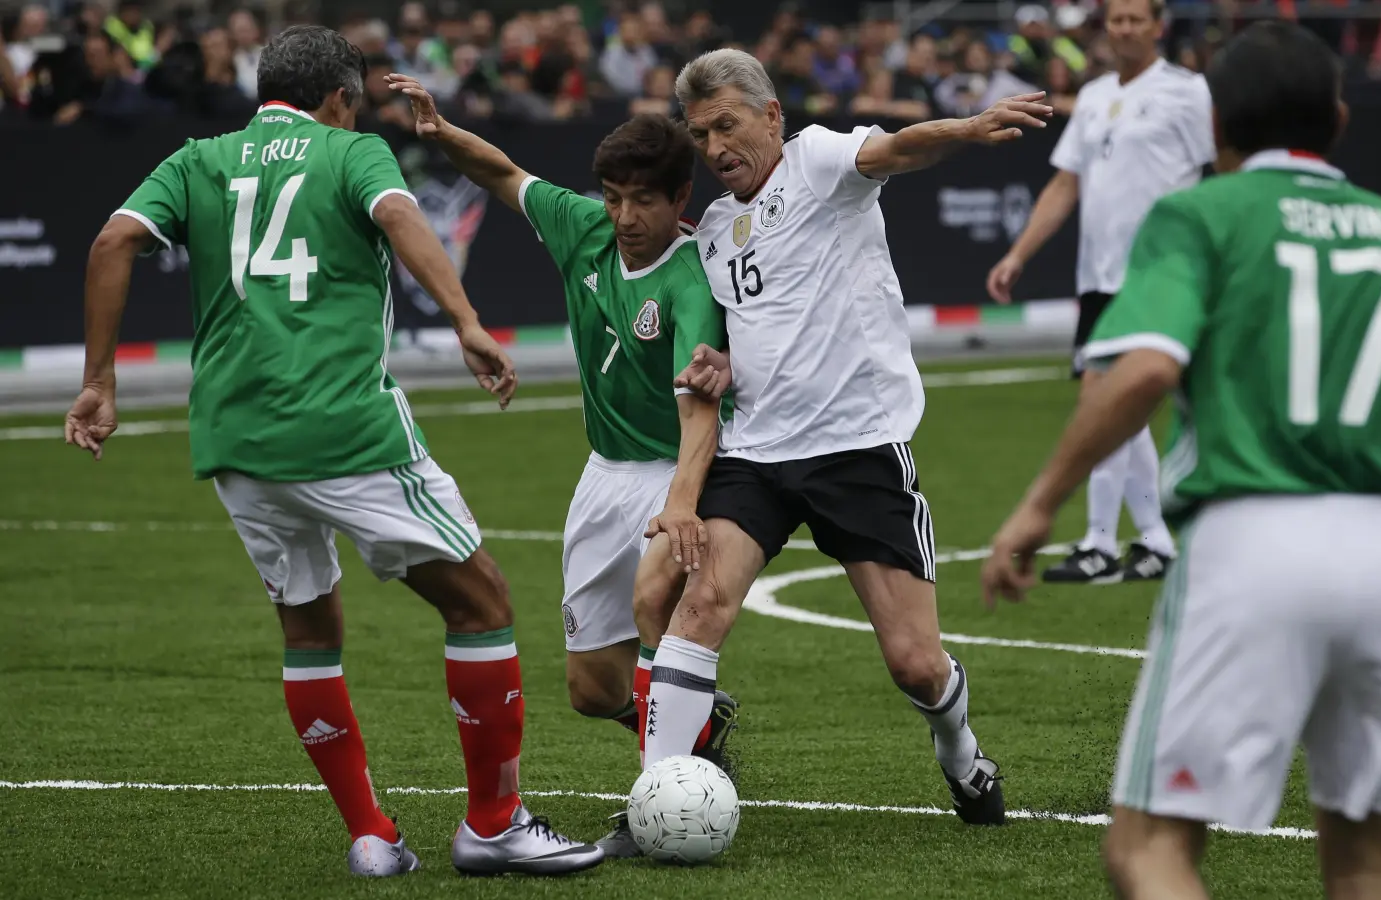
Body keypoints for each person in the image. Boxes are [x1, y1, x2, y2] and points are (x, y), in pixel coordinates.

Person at [981, 21, 1381, 899]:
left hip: (1250, 542)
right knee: (1364, 858)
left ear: (1217, 130)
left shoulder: (1199, 216)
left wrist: (1040, 502)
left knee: (1149, 847)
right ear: (1340, 118)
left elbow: (1146, 369)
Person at [63, 25, 604, 879]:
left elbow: (110, 243)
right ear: (343, 98)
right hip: (342, 425)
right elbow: (401, 218)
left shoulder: (199, 158)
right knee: (482, 601)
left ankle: (370, 836)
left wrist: (100, 381)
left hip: (234, 437)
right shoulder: (352, 154)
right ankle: (494, 823)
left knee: (308, 626)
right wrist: (467, 322)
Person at [641, 47, 1053, 827]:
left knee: (915, 664)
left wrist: (966, 128)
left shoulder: (819, 163)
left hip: (858, 448)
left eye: (726, 125)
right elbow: (758, 328)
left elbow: (895, 148)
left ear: (771, 117)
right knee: (699, 608)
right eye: (699, 135)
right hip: (758, 453)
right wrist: (721, 363)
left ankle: (961, 755)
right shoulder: (717, 231)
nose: (715, 147)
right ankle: (655, 800)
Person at [384, 74, 738, 859]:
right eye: (612, 197)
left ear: (680, 197)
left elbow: (697, 411)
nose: (624, 217)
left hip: (675, 472)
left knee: (655, 609)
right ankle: (700, 720)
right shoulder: (584, 229)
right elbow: (506, 176)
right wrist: (442, 135)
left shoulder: (688, 282)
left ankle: (658, 804)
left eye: (642, 200)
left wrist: (682, 505)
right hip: (602, 476)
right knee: (591, 692)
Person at [987, 0, 1212, 585]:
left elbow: (1222, 173)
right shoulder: (1091, 98)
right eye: (1117, 19)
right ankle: (1148, 540)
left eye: (1137, 19)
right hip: (1100, 276)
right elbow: (1066, 184)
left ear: (1158, 26)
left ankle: (1101, 542)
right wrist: (1018, 254)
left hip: (1160, 273)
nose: (1126, 29)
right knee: (1113, 408)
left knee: (1108, 400)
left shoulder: (1187, 92)